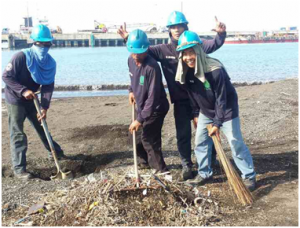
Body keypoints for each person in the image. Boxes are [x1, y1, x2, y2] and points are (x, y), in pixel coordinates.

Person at [118, 11, 226, 180]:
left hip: (201, 98)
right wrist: (128, 39)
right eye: (173, 27)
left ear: (185, 27)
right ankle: (186, 165)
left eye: (180, 26)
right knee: (182, 134)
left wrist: (220, 34)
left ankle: (210, 161)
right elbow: (141, 50)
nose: (177, 30)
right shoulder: (163, 50)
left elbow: (213, 45)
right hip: (181, 100)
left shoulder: (195, 43)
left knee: (205, 131)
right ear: (169, 30)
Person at [175, 30, 257, 191]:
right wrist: (196, 114)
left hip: (226, 109)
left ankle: (249, 176)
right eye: (184, 54)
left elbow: (221, 99)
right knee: (200, 141)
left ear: (199, 50)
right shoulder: (186, 71)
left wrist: (217, 123)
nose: (188, 57)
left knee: (235, 142)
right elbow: (193, 95)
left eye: (191, 52)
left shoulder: (215, 70)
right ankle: (205, 173)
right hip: (206, 110)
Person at [2, 24, 65, 180]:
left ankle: (56, 153)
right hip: (15, 99)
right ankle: (19, 169)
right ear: (34, 42)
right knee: (17, 133)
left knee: (42, 125)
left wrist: (44, 107)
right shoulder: (21, 57)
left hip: (34, 99)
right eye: (41, 43)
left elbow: (48, 85)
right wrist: (23, 90)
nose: (44, 47)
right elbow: (6, 77)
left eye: (47, 44)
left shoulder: (50, 63)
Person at [127, 29, 170, 173]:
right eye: (133, 52)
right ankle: (144, 162)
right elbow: (132, 77)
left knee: (149, 138)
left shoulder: (152, 67)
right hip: (142, 105)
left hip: (157, 107)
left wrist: (139, 119)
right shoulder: (130, 60)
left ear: (146, 50)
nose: (135, 56)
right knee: (135, 136)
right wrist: (131, 91)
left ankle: (161, 170)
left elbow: (153, 97)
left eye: (139, 53)